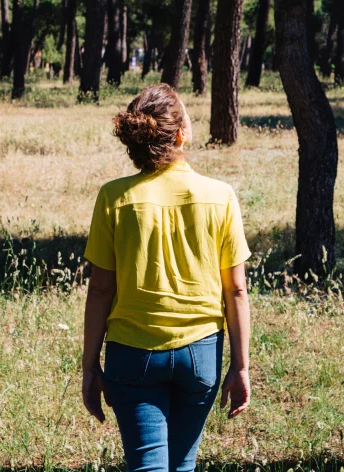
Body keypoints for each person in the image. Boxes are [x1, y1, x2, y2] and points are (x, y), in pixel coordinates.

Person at [81, 83, 251, 472]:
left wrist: (90, 367)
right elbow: (236, 289)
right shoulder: (220, 195)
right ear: (180, 134)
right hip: (201, 355)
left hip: (131, 354)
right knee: (182, 466)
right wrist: (240, 367)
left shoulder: (114, 198)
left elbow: (101, 289)